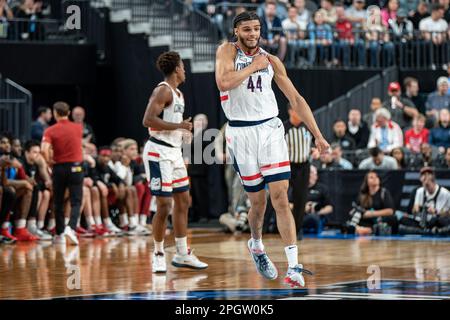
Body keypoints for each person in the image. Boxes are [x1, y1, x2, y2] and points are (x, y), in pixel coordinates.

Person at [215, 11, 329, 288]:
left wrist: (318, 135)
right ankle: (256, 244)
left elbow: (296, 98)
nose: (253, 34)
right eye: (247, 29)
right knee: (258, 203)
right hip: (241, 132)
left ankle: (294, 267)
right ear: (236, 31)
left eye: (256, 29)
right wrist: (253, 67)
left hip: (270, 129)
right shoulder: (226, 51)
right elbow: (224, 82)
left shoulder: (272, 60)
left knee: (280, 196)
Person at [142, 51, 208, 273]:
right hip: (158, 152)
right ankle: (159, 253)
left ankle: (182, 253)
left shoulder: (179, 94)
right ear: (177, 69)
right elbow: (148, 120)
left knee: (183, 201)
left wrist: (182, 133)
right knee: (164, 205)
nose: (185, 70)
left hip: (174, 152)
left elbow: (172, 123)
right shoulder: (163, 90)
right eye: (183, 67)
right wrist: (179, 127)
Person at [41, 102, 83, 246]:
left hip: (59, 168)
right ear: (69, 112)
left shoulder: (50, 130)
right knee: (76, 201)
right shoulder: (78, 127)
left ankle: (59, 233)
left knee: (58, 201)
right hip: (76, 168)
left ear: (55, 113)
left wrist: (49, 162)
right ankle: (71, 228)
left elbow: (44, 149)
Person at [284, 103, 313, 240]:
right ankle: (267, 227)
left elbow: (313, 144)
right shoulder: (284, 128)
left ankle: (297, 230)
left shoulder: (307, 127)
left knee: (300, 199)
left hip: (304, 166)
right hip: (287, 166)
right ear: (290, 111)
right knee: (278, 196)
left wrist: (315, 151)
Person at [343, 171, 397, 235]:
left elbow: (390, 211)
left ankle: (367, 230)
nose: (375, 178)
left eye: (376, 177)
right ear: (367, 182)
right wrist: (360, 213)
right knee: (353, 216)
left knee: (392, 219)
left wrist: (371, 213)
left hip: (379, 219)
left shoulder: (384, 192)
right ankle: (359, 228)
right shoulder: (363, 195)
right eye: (371, 177)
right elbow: (357, 209)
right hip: (367, 220)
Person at [398, 167, 450, 235]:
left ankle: (425, 231)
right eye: (424, 175)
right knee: (403, 220)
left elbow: (448, 213)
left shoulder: (445, 193)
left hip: (438, 220)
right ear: (421, 179)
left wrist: (436, 212)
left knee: (437, 220)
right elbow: (414, 211)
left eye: (428, 174)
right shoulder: (419, 191)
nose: (426, 176)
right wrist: (417, 209)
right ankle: (430, 231)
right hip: (423, 222)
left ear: (433, 177)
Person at [302, 165, 333, 234]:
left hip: (318, 215)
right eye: (308, 173)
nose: (310, 175)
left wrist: (318, 212)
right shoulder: (299, 188)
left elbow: (330, 207)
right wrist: (302, 208)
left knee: (314, 218)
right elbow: (288, 204)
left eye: (312, 173)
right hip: (302, 215)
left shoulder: (322, 188)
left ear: (316, 176)